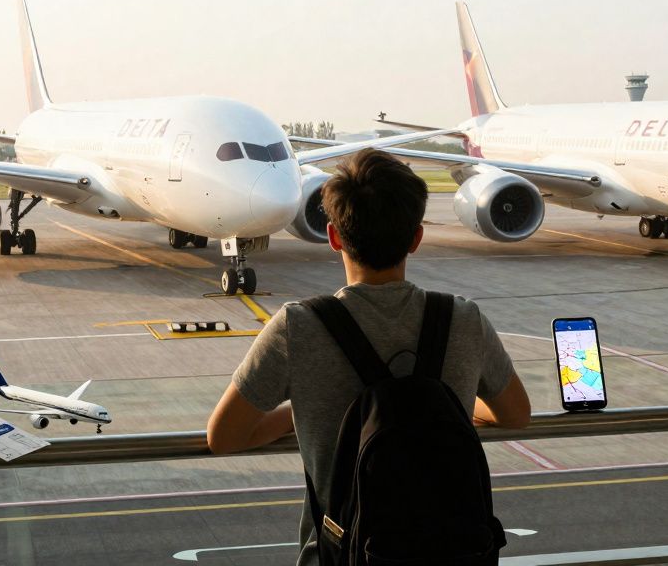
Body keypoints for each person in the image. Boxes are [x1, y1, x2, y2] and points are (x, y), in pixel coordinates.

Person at [207, 147, 531, 565]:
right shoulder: (463, 319)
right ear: (416, 238)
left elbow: (224, 437)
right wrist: (454, 406)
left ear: (334, 236)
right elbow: (516, 413)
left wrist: (304, 413)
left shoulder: (298, 327)